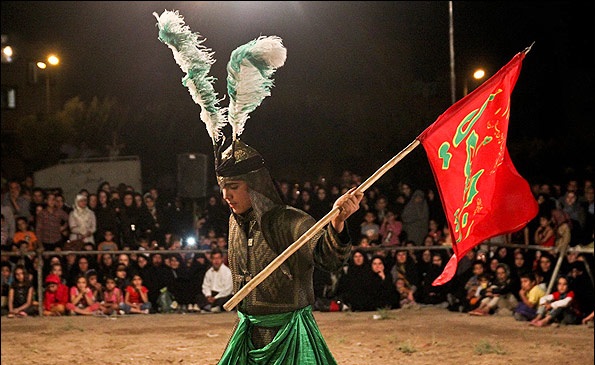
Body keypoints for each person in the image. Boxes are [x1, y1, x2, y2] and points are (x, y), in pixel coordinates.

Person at [214, 139, 363, 363]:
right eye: (223, 186)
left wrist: (337, 222)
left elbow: (328, 257)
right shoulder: (234, 222)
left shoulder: (289, 220)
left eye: (234, 186)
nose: (226, 195)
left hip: (289, 334)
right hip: (247, 333)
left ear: (254, 185)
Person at [198, 247, 233, 313]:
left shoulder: (227, 272)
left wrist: (215, 298)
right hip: (211, 295)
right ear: (211, 259)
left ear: (222, 259)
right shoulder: (209, 272)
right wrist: (208, 296)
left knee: (226, 300)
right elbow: (206, 286)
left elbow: (228, 289)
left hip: (222, 295)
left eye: (218, 258)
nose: (216, 261)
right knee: (199, 297)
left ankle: (210, 307)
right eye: (214, 258)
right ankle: (211, 307)